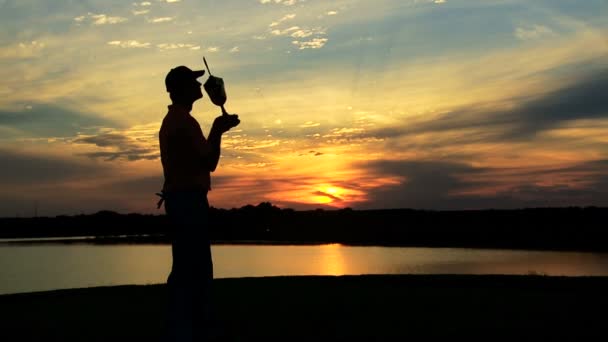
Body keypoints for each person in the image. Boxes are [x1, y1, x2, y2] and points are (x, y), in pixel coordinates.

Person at [158, 65, 240, 341]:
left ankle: (186, 324)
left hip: (183, 200)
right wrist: (217, 130)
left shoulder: (178, 120)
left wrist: (217, 131)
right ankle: (189, 327)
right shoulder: (182, 122)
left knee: (187, 265)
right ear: (179, 88)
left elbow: (206, 162)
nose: (199, 86)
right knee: (194, 267)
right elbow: (209, 162)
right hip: (187, 201)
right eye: (193, 82)